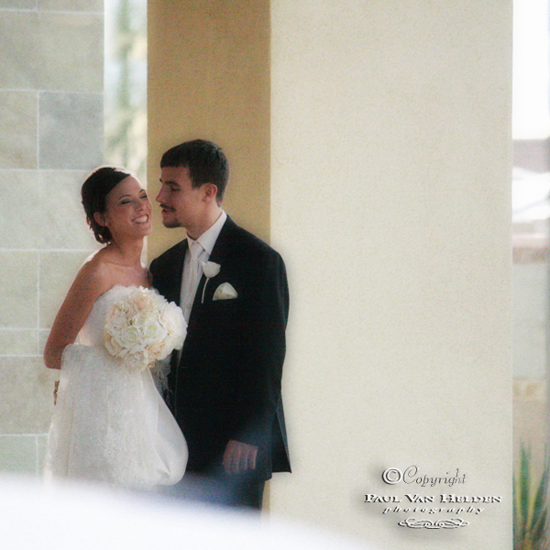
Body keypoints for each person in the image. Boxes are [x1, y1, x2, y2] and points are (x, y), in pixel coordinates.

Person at [150, 139, 290, 510]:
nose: (160, 195)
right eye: (161, 183)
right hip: (176, 446)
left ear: (207, 192)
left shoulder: (259, 262)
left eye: (173, 187)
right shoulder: (163, 268)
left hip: (234, 450)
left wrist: (246, 436)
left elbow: (266, 356)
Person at [43, 166, 187, 490]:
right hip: (105, 414)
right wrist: (120, 351)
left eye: (143, 196)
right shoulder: (97, 271)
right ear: (103, 217)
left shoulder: (153, 273)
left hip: (148, 411)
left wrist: (149, 347)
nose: (142, 207)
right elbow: (54, 352)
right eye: (126, 202)